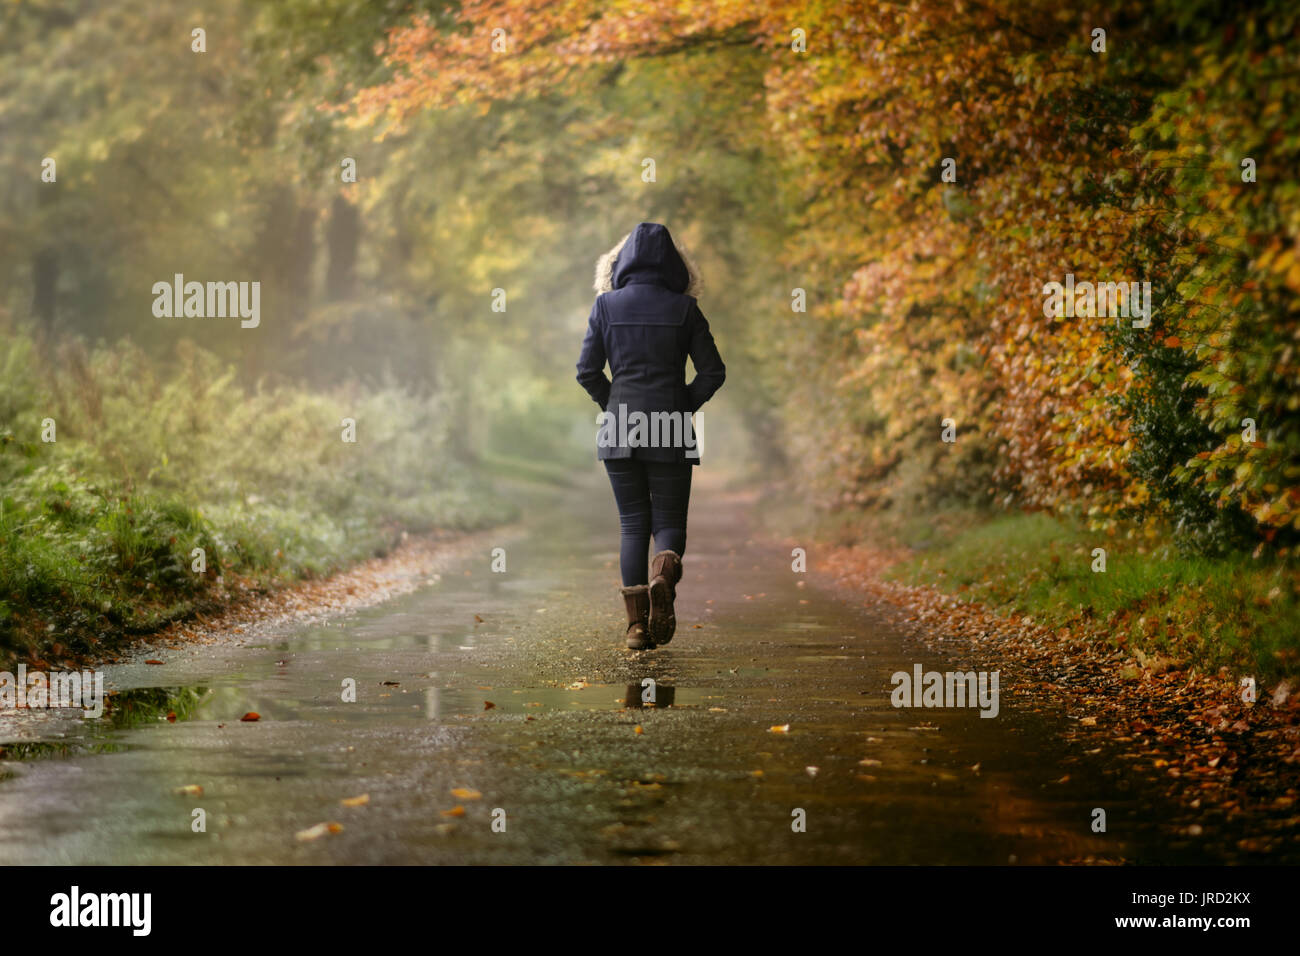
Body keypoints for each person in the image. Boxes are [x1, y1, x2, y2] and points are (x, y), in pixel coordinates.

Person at [576, 222, 726, 650]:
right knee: (669, 523)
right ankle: (664, 575)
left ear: (621, 263)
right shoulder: (684, 309)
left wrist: (616, 406)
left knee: (632, 525)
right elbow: (713, 372)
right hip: (672, 425)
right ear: (675, 265)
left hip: (620, 426)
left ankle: (637, 629)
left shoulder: (605, 306)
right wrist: (681, 406)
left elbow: (586, 372)